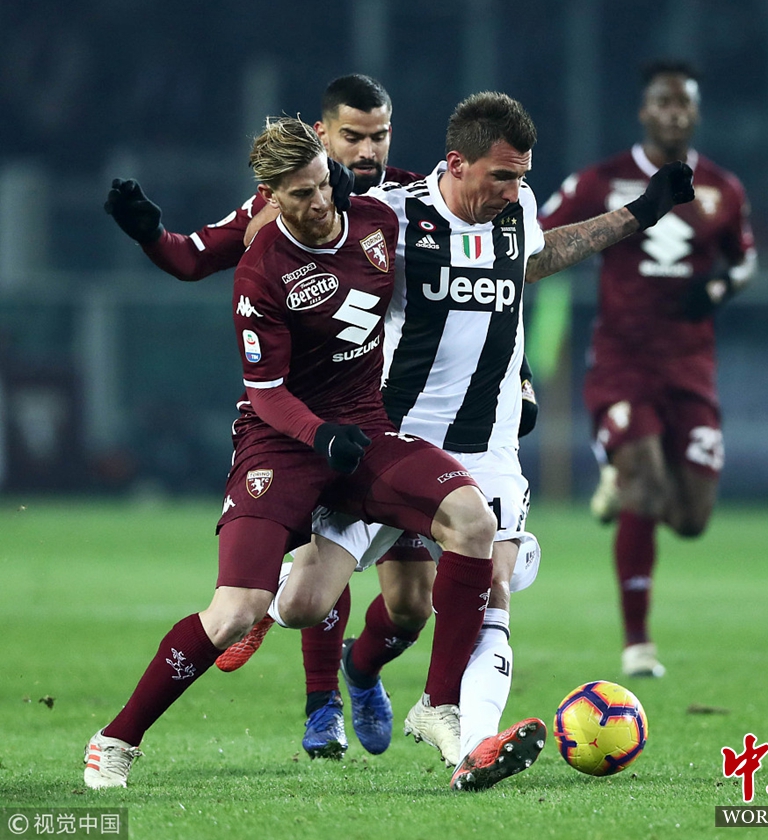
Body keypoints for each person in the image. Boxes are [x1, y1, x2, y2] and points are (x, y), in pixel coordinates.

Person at [244, 91, 694, 791]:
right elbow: (293, 258)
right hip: (393, 441)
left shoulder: (515, 208)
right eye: (501, 176)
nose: (515, 191)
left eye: (521, 177)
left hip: (487, 448)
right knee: (328, 603)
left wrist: (642, 212)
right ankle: (279, 617)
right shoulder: (391, 218)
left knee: (492, 588)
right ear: (456, 163)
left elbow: (536, 257)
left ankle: (473, 745)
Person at [104, 74, 539, 762]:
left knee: (414, 599)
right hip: (293, 430)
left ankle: (389, 686)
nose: (367, 152)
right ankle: (311, 698)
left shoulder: (397, 203)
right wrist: (154, 236)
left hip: (377, 424)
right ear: (322, 139)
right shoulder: (266, 240)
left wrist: (517, 371)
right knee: (280, 597)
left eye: (380, 136)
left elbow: (481, 290)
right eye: (352, 138)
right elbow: (195, 262)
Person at [538, 59, 757, 678]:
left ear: (696, 112)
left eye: (683, 103)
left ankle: (620, 478)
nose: (673, 113)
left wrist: (719, 288)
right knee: (646, 483)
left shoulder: (723, 189)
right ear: (644, 111)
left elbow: (745, 261)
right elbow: (538, 237)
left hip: (690, 367)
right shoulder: (602, 180)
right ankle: (638, 644)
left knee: (690, 519)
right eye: (663, 102)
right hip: (622, 362)